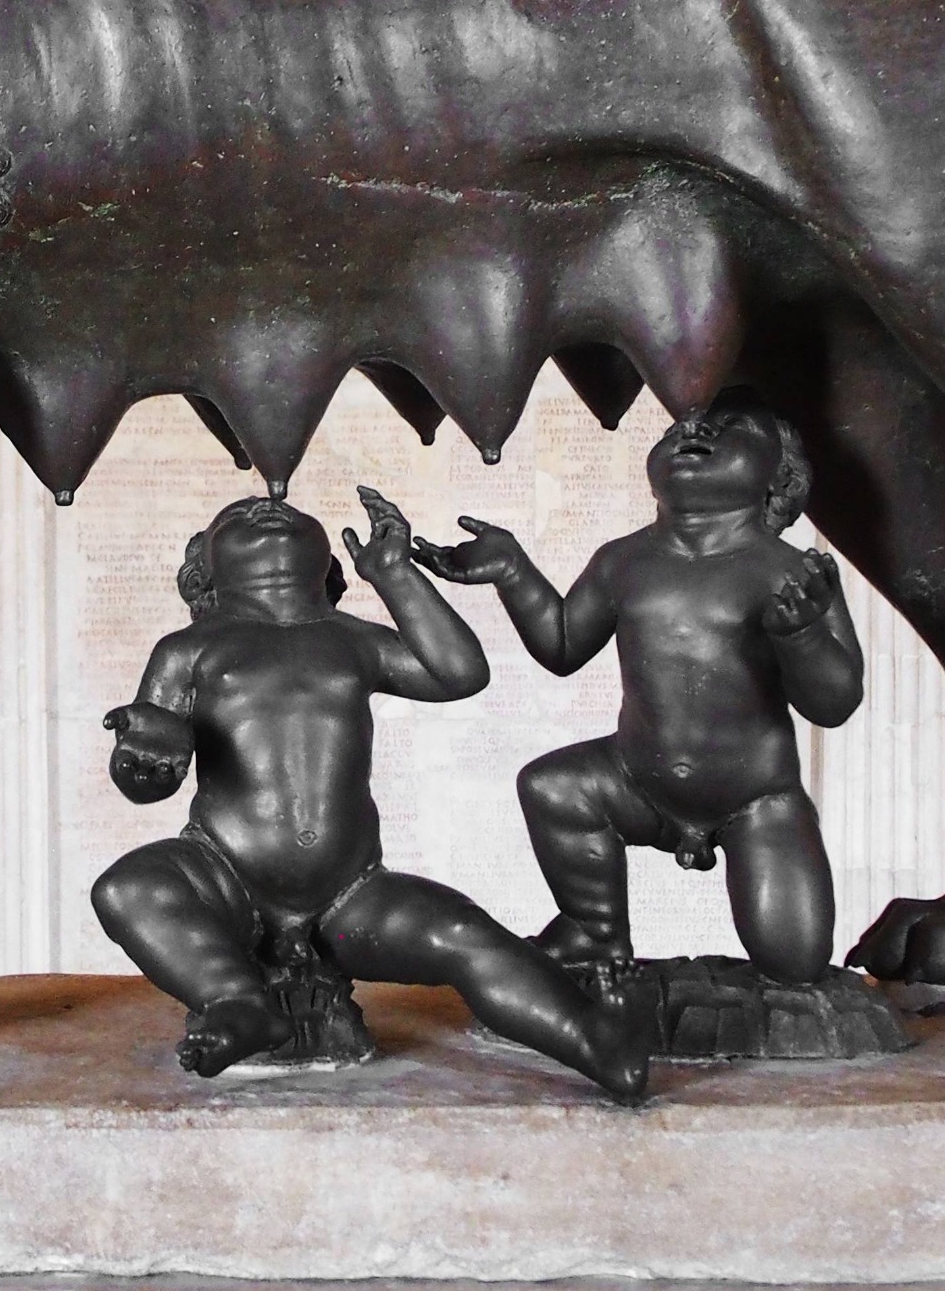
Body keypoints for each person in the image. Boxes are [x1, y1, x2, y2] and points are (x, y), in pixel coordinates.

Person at [92, 487, 653, 1100]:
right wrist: (146, 761)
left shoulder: (352, 638)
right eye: (236, 518)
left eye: (283, 511)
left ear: (327, 563)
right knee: (128, 888)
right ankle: (235, 1000)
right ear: (206, 571)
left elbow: (457, 673)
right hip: (223, 872)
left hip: (352, 892)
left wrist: (395, 574)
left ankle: (591, 1038)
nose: (264, 509)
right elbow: (148, 765)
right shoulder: (189, 649)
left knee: (465, 935)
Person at [414, 393, 862, 983]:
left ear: (779, 478)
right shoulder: (623, 560)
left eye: (732, 428)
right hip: (633, 779)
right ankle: (593, 930)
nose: (695, 427)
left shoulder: (791, 575)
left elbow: (834, 704)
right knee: (554, 787)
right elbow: (563, 646)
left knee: (795, 964)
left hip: (758, 799)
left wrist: (802, 635)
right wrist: (512, 570)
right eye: (683, 423)